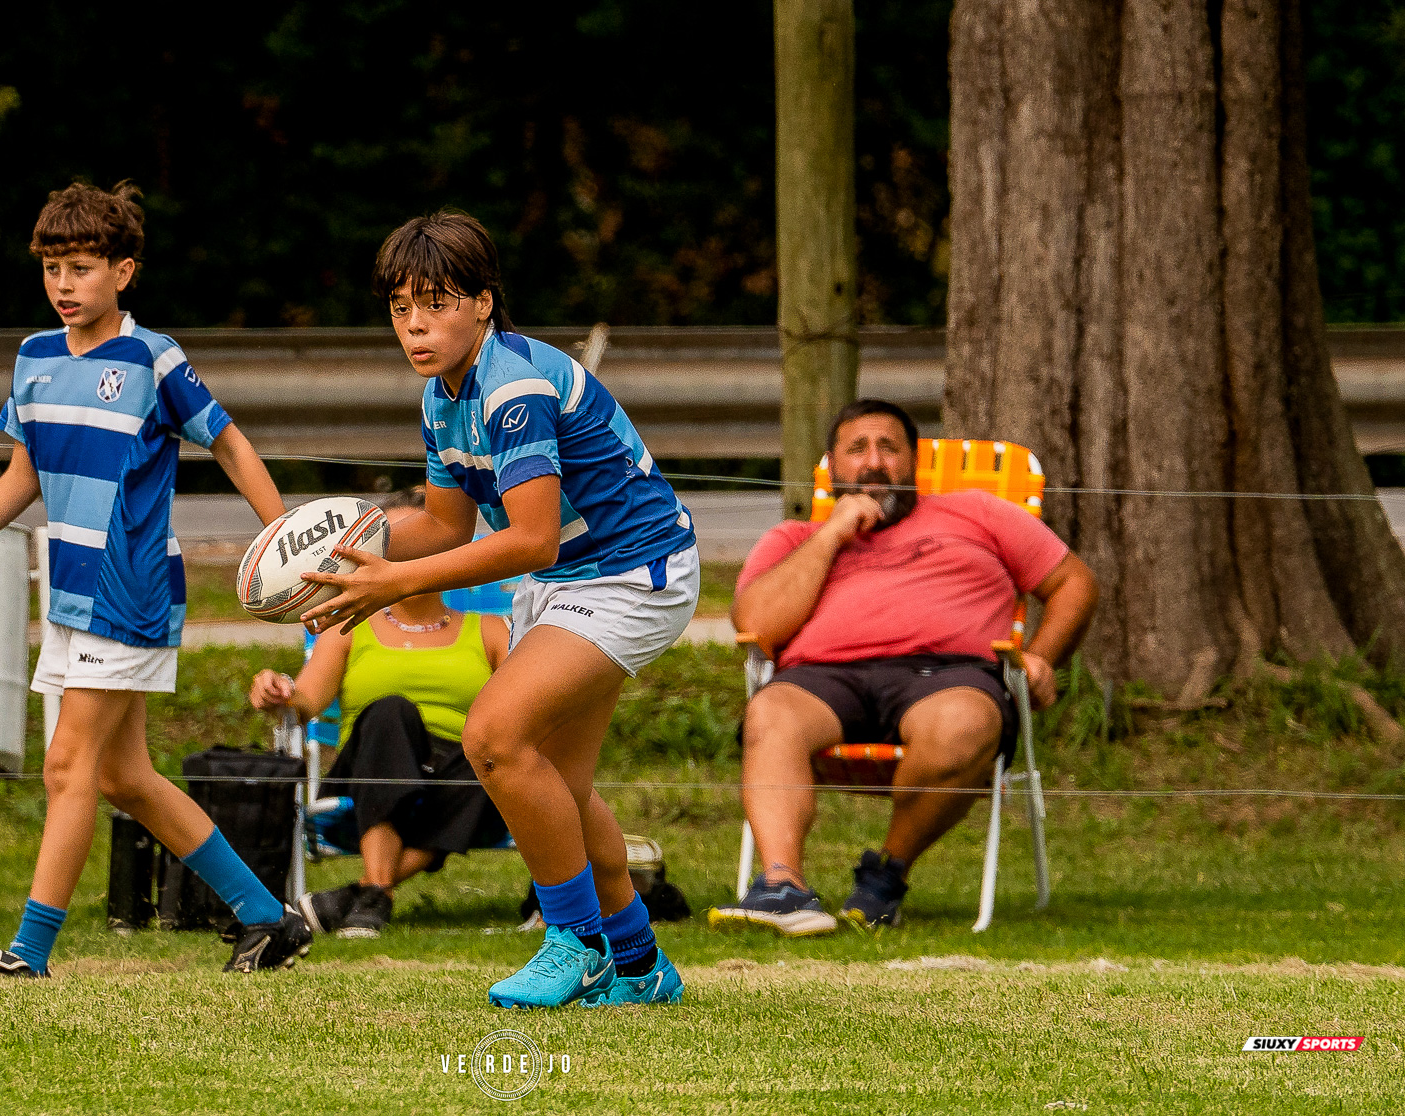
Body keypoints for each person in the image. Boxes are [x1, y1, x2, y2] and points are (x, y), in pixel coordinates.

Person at [298, 211, 700, 1008]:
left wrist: (388, 583)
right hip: (571, 581)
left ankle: (574, 944)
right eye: (400, 307)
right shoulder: (441, 397)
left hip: (632, 574)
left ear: (484, 302)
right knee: (562, 788)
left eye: (436, 302)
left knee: (492, 735)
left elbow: (531, 540)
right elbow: (444, 524)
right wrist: (346, 548)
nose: (415, 324)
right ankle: (642, 965)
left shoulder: (512, 386)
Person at [0, 181, 312, 977]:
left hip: (127, 588)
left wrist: (283, 538)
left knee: (68, 767)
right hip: (69, 592)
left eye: (81, 268)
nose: (64, 285)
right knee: (123, 777)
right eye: (51, 269)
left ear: (124, 272)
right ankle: (266, 918)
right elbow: (24, 471)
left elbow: (231, 444)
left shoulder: (152, 358)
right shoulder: (33, 357)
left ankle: (26, 956)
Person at [710, 399, 1098, 935]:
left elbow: (1073, 583)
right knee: (770, 713)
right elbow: (756, 624)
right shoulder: (795, 540)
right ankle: (782, 887)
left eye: (889, 448)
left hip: (947, 675)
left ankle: (884, 877)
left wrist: (1041, 657)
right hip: (823, 679)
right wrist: (832, 534)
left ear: (913, 462)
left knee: (963, 725)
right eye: (857, 450)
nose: (873, 462)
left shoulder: (978, 513)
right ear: (831, 467)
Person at [247, 492, 511, 939]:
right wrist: (279, 692)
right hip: (374, 765)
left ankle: (369, 893)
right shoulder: (349, 624)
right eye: (393, 546)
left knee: (494, 752)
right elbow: (306, 699)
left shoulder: (490, 630)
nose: (407, 556)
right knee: (392, 713)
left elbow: (524, 712)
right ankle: (375, 889)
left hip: (462, 775)